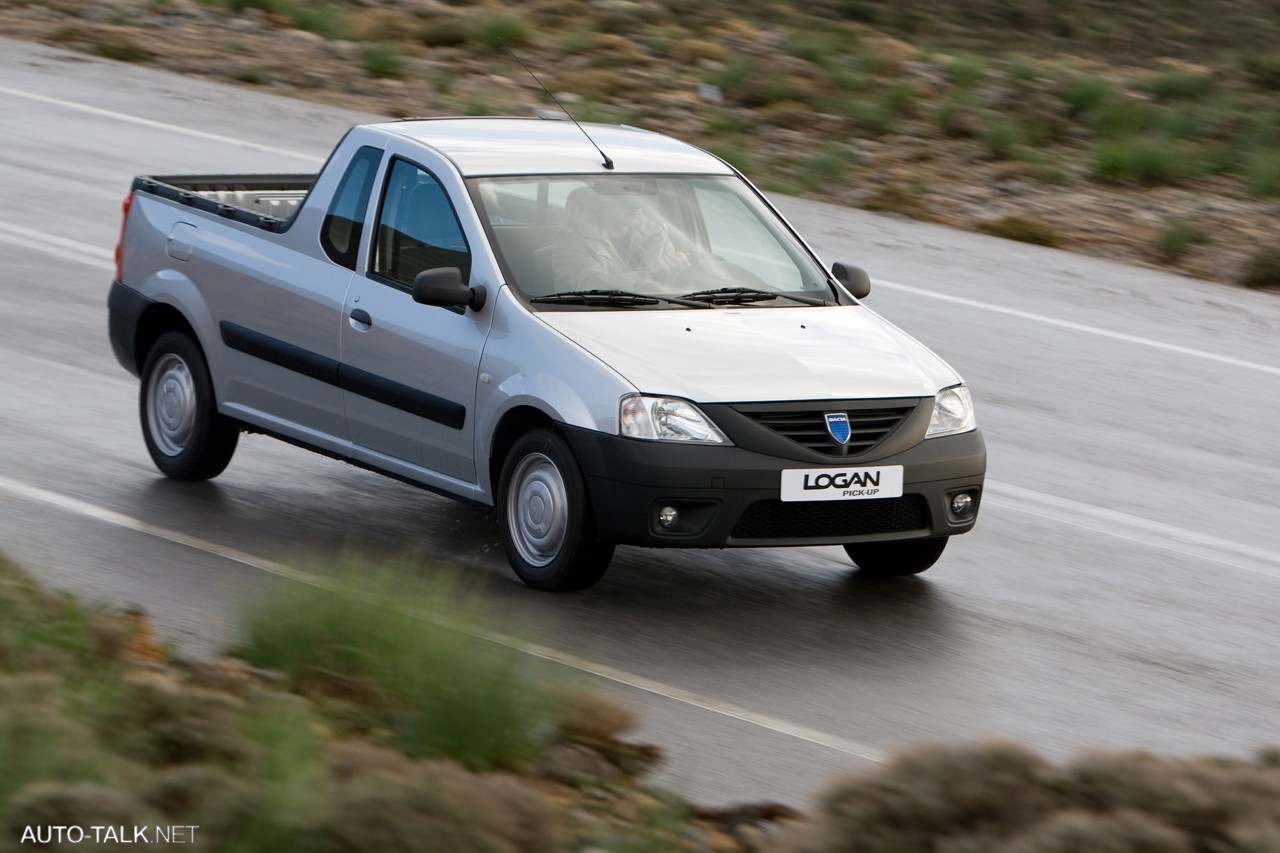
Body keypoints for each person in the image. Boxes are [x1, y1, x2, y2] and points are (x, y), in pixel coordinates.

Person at [552, 186, 690, 292]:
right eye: (626, 202)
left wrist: (676, 269)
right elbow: (591, 285)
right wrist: (647, 277)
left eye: (637, 200)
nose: (637, 207)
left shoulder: (656, 234)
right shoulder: (569, 241)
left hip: (654, 313)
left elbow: (672, 287)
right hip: (590, 316)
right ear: (603, 203)